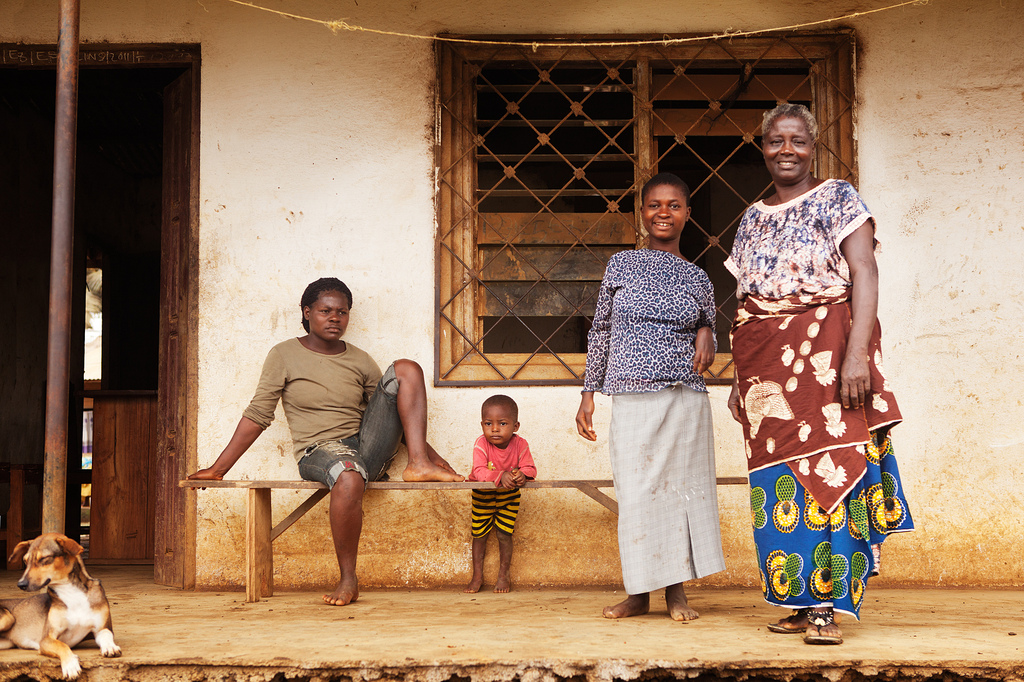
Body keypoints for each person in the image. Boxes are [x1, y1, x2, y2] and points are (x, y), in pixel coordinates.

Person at [726, 104, 914, 645]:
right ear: (761, 147)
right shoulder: (751, 218)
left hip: (826, 356)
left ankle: (828, 607)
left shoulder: (838, 198)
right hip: (763, 366)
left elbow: (864, 272)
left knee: (826, 474)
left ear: (813, 146)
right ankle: (798, 598)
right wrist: (740, 380)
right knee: (775, 481)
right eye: (775, 141)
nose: (786, 150)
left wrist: (857, 355)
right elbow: (744, 304)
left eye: (797, 141)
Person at [188, 277, 464, 606]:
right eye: (325, 310)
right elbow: (258, 414)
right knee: (347, 474)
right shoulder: (284, 355)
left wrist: (434, 459)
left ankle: (419, 466)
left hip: (367, 450)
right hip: (320, 451)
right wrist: (219, 468)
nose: (335, 318)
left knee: (406, 369)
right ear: (307, 313)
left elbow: (394, 413)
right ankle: (349, 578)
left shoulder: (360, 359)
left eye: (342, 312)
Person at [575, 172, 726, 621]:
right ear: (641, 212)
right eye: (655, 205)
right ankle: (638, 594)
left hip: (684, 393)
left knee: (676, 491)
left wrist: (705, 332)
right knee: (638, 492)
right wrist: (589, 392)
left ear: (687, 215)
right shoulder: (621, 265)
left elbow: (711, 339)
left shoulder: (699, 277)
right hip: (632, 391)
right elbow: (601, 329)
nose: (664, 212)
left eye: (674, 205)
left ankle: (675, 593)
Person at [463, 394, 537, 594]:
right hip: (483, 495)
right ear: (482, 425)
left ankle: (504, 575)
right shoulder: (481, 444)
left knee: (504, 535)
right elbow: (478, 471)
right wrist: (500, 475)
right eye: (488, 423)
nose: (494, 429)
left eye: (502, 423)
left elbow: (530, 468)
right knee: (479, 535)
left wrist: (523, 475)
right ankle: (477, 576)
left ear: (515, 426)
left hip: (509, 496)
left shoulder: (520, 444)